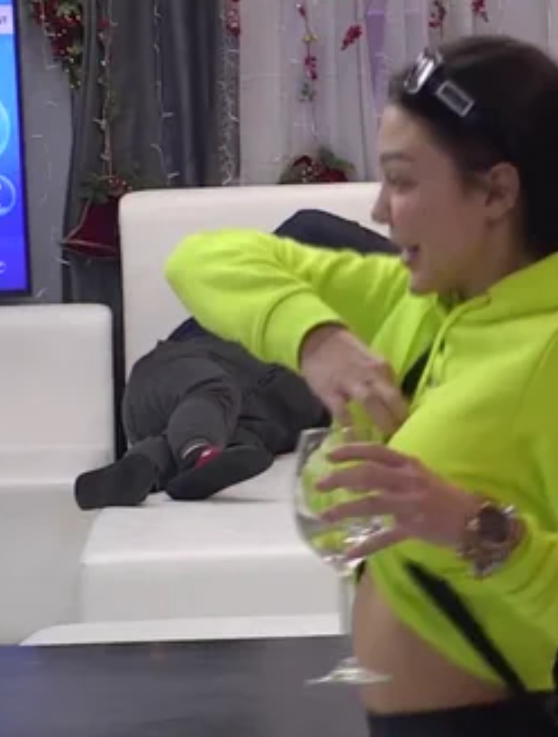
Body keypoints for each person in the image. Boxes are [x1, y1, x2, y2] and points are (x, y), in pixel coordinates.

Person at [163, 36, 558, 737]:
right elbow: (199, 258)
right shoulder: (423, 300)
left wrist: (476, 527)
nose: (381, 209)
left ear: (496, 192)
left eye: (403, 181)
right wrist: (316, 338)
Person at [73, 209, 393, 511]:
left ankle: (146, 464)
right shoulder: (282, 280)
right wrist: (412, 269)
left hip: (251, 425)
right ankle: (197, 452)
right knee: (213, 390)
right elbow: (310, 225)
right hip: (180, 375)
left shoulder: (373, 354)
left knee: (243, 443)